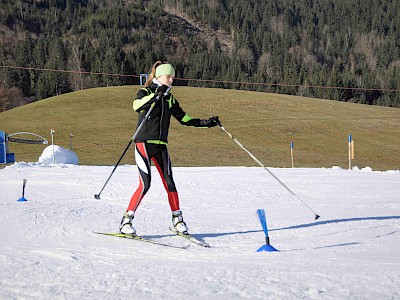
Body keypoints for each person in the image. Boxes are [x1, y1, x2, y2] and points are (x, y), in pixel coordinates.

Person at [119, 61, 219, 235]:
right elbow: (137, 106)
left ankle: (178, 219)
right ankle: (126, 221)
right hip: (143, 142)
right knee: (145, 184)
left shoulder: (169, 98)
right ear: (159, 77)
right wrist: (156, 95)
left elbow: (184, 119)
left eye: (173, 76)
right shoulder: (146, 91)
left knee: (170, 182)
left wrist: (207, 123)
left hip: (161, 145)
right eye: (168, 76)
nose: (172, 79)